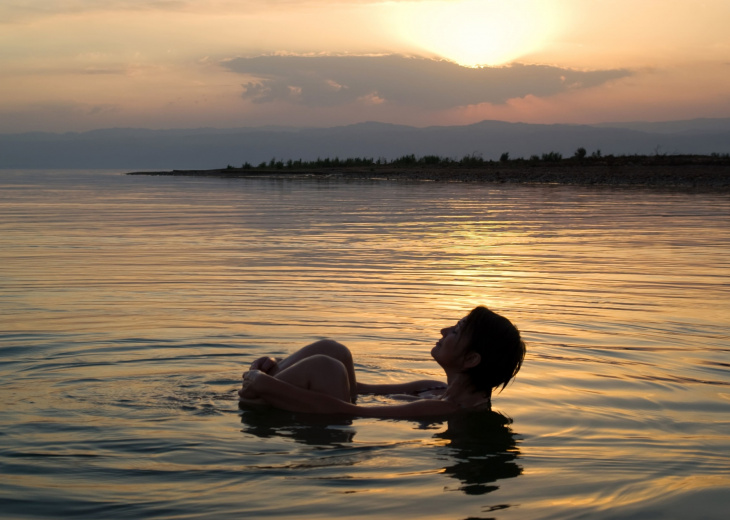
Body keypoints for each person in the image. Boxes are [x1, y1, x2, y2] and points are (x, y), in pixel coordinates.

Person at [238, 306, 525, 418]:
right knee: (334, 351)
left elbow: (351, 413)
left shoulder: (444, 408)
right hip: (336, 410)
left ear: (471, 359)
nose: (444, 331)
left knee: (328, 367)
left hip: (335, 426)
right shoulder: (434, 388)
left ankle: (257, 392)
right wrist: (273, 365)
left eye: (457, 330)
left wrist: (266, 383)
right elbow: (361, 390)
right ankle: (260, 384)